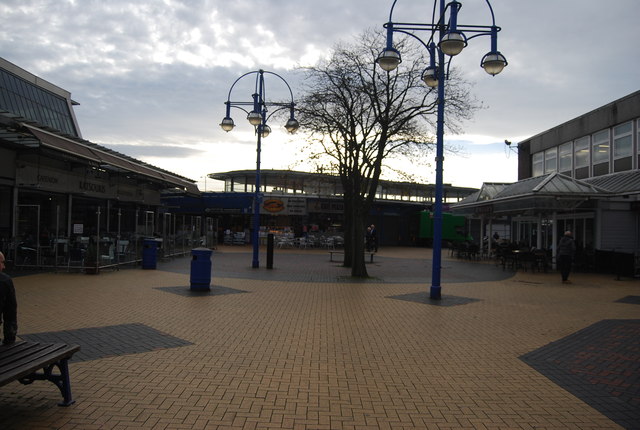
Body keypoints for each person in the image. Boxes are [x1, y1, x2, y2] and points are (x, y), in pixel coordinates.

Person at [0, 251, 18, 345]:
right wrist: (9, 340)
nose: (4, 267)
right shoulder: (4, 281)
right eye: (2, 262)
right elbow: (10, 312)